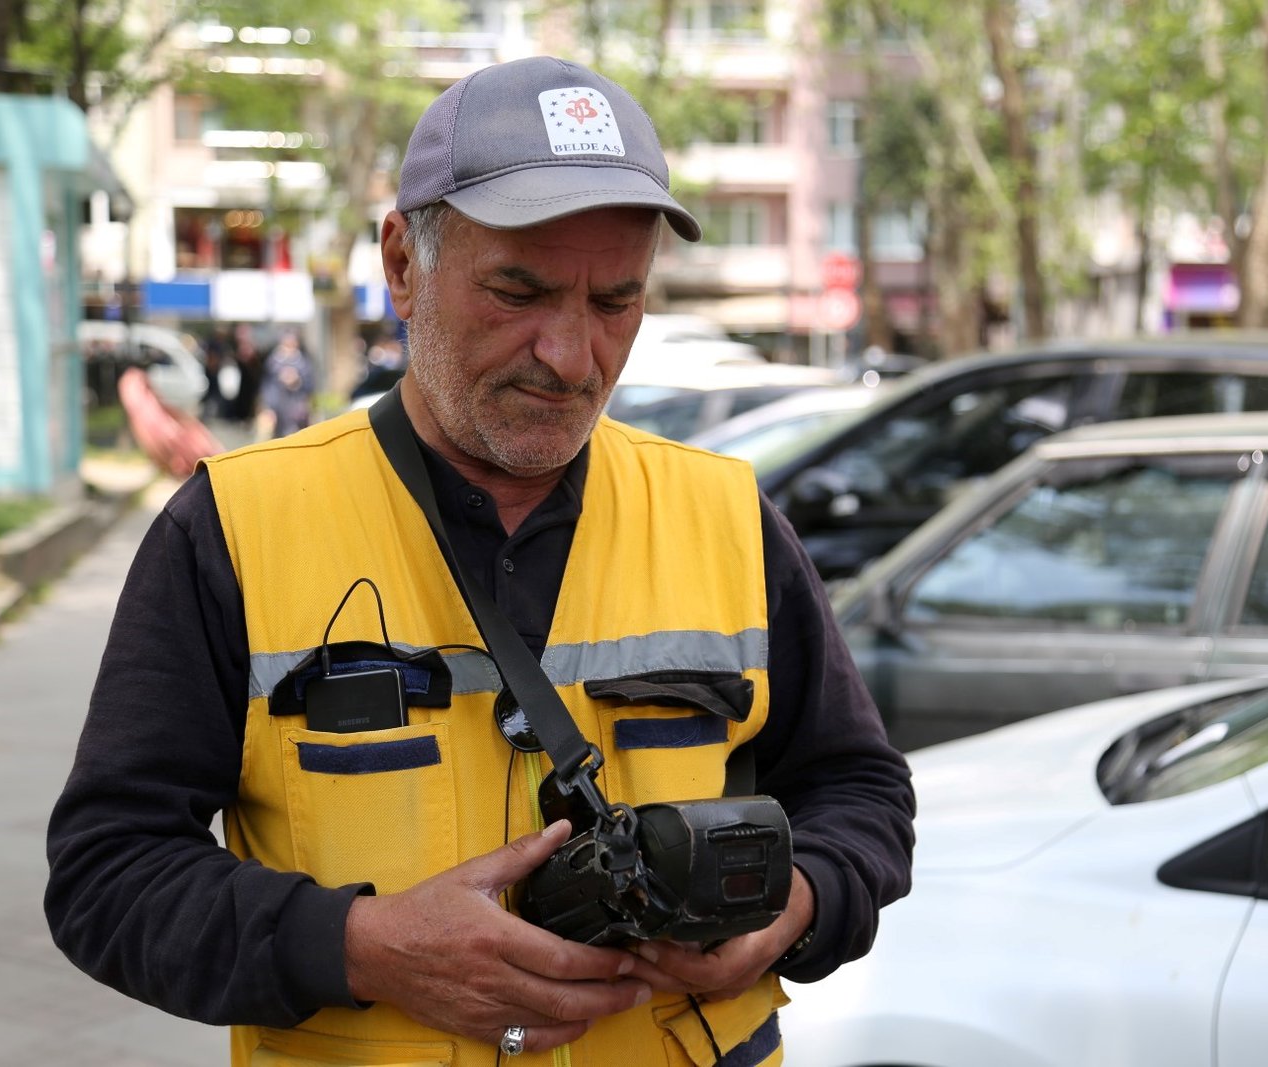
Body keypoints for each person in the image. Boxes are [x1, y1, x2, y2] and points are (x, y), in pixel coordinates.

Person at [45, 55, 915, 1067]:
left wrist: (795, 905)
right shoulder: (234, 526)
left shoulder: (727, 514)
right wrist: (360, 946)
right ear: (401, 265)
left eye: (615, 301)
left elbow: (860, 792)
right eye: (519, 290)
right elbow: (107, 875)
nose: (571, 354)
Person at [258, 328, 316, 438]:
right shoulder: (273, 361)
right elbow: (267, 387)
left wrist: (297, 381)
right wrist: (268, 408)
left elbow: (310, 386)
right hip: (277, 412)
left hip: (297, 413)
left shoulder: (303, 363)